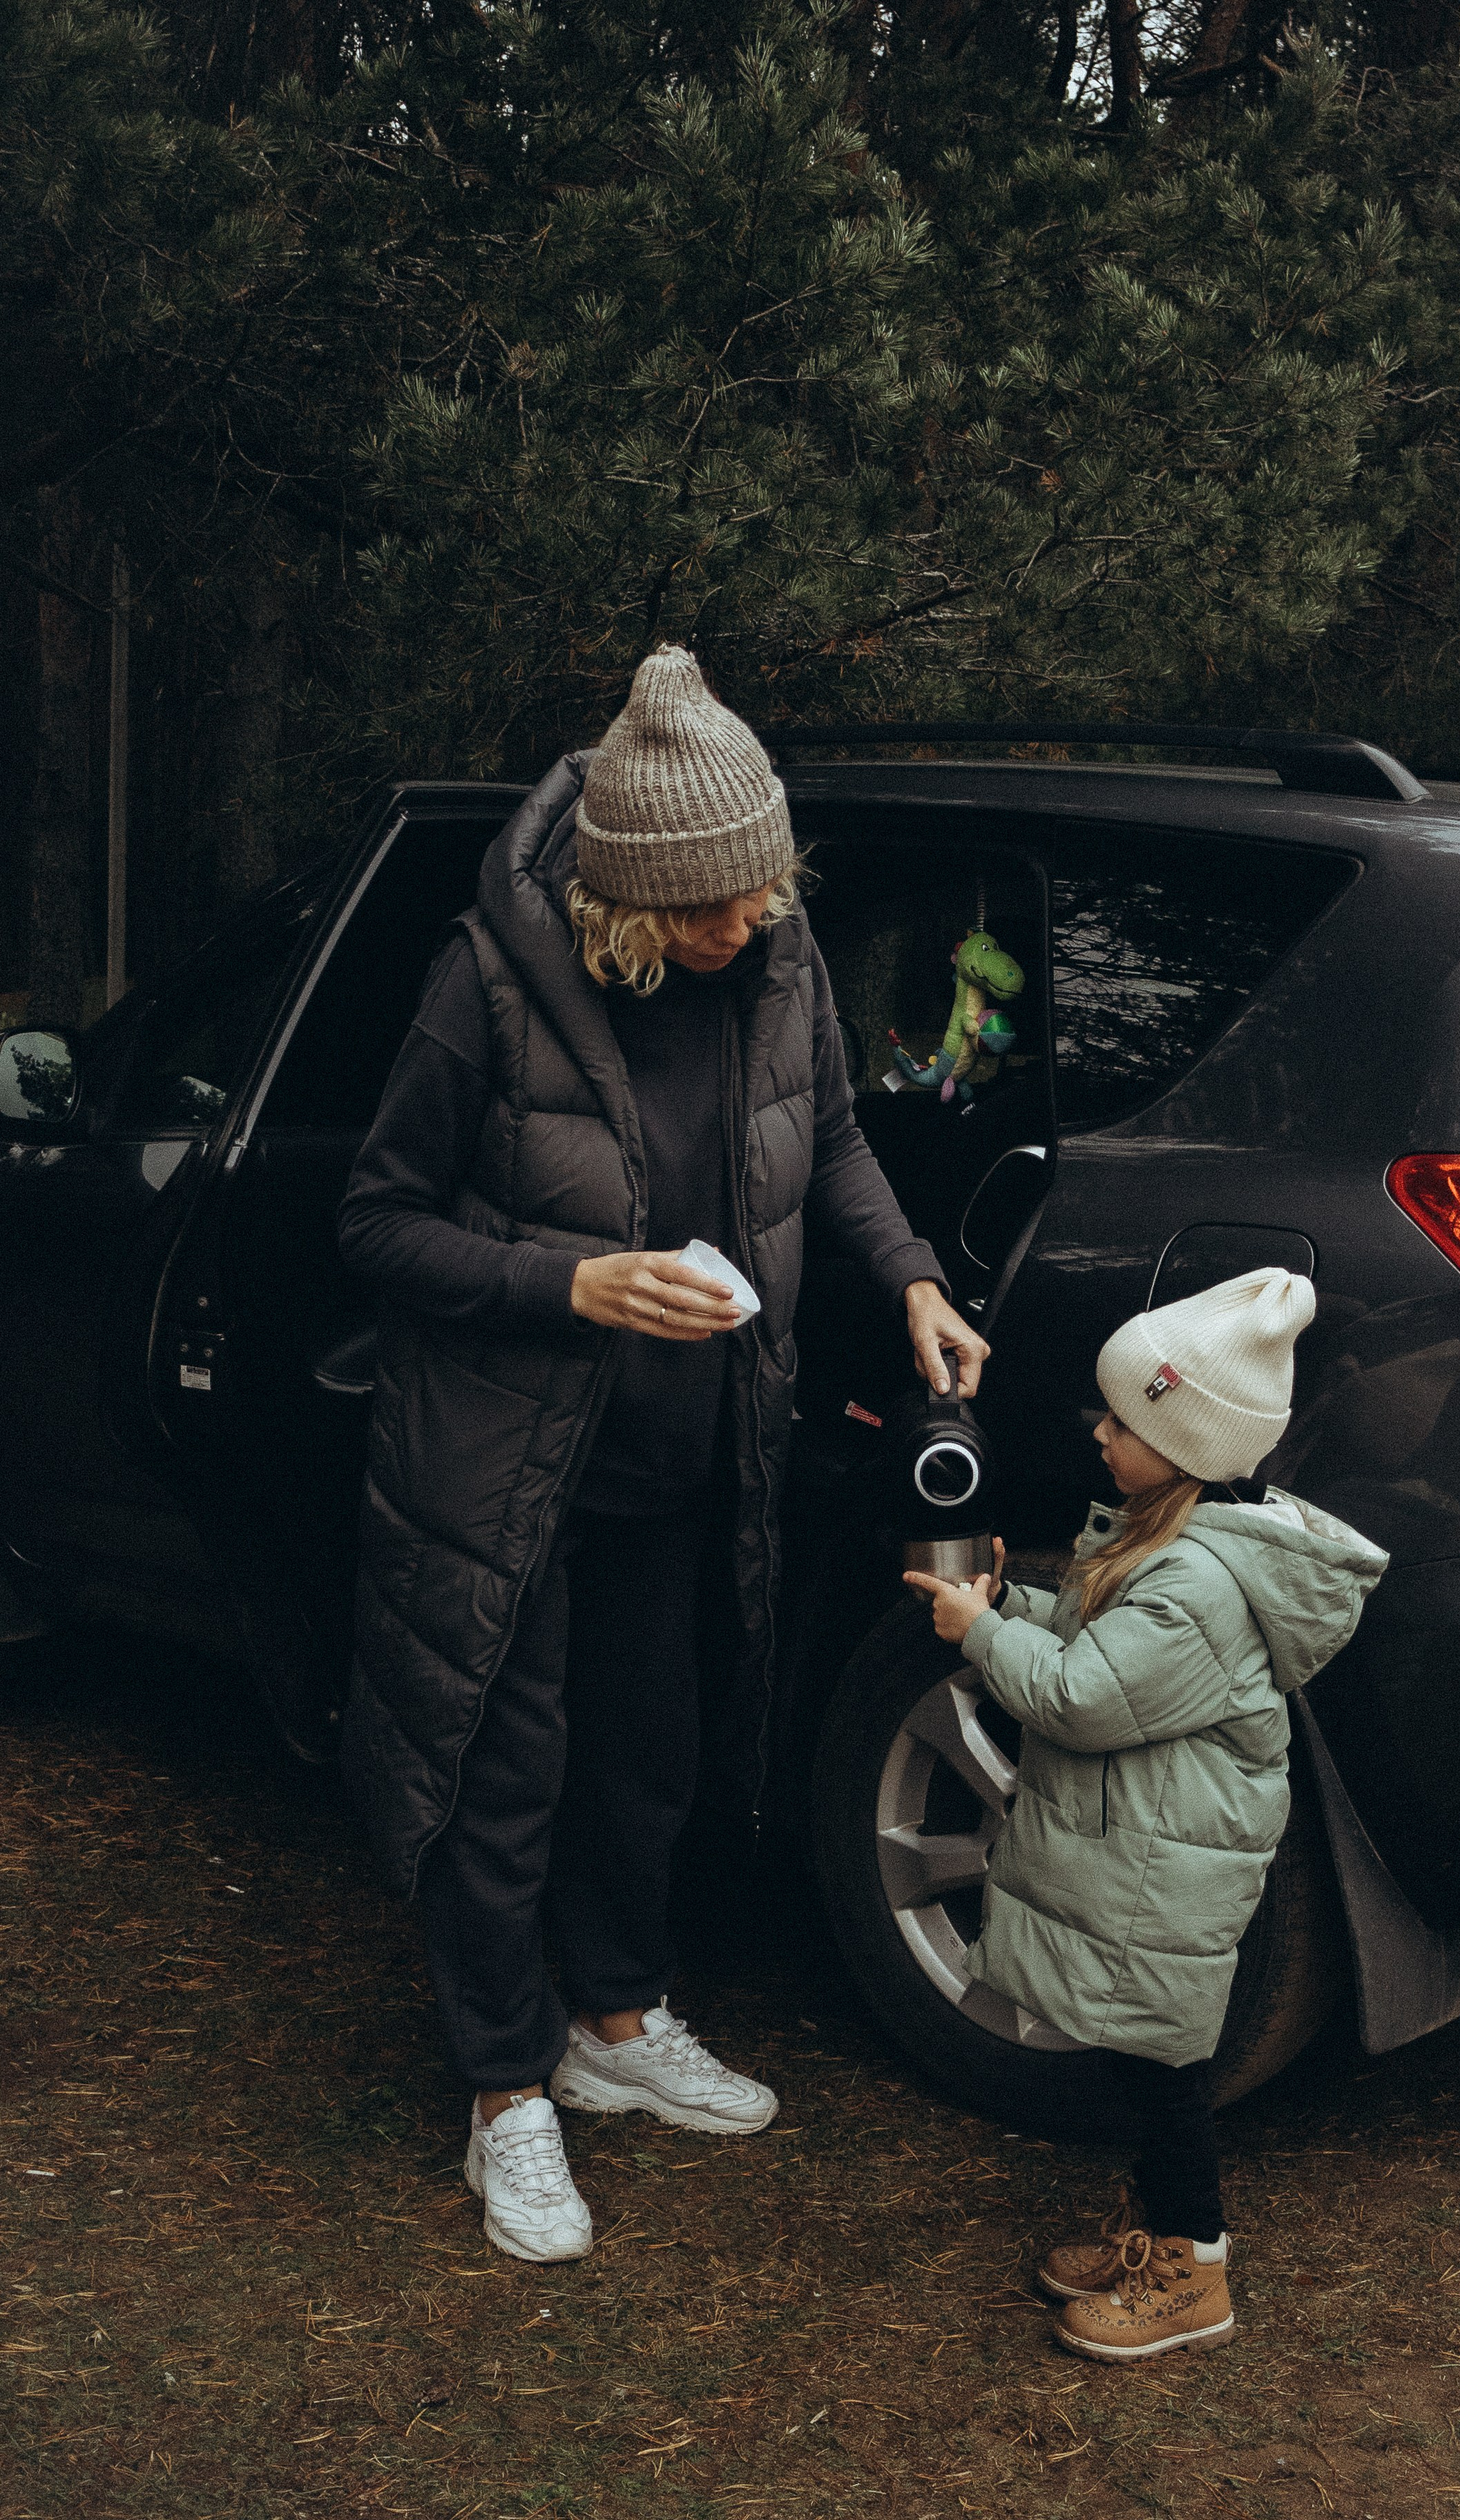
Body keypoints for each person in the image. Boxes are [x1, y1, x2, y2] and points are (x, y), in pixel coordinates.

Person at [338, 646, 985, 2264]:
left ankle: (614, 2028)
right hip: (503, 1466)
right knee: (503, 1783)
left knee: (646, 1758)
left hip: (683, 1453)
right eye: (707, 905)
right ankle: (505, 2096)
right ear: (619, 898)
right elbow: (376, 1223)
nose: (744, 924)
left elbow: (831, 1139)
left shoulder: (777, 956)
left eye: (762, 890)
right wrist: (571, 1284)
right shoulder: (485, 986)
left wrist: (910, 1277)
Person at [904, 1268, 1385, 2362]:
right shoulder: (1164, 1545)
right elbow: (1103, 1653)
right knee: (1140, 2060)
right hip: (1147, 1858)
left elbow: (1081, 1698)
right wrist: (1006, 1604)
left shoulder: (1197, 1586)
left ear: (1187, 1444)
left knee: (1165, 2077)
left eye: (1124, 1421)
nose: (1101, 1433)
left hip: (1165, 1876)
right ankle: (1160, 2225)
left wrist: (982, 1636)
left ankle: (1191, 2271)